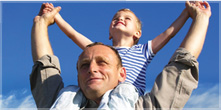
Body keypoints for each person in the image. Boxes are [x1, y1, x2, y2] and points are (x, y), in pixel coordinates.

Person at [30, 1, 211, 110]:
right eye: (116, 18)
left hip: (126, 96)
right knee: (69, 92)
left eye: (127, 18)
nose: (120, 19)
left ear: (137, 34)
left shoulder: (143, 50)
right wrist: (54, 17)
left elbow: (169, 34)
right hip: (88, 96)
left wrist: (187, 14)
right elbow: (72, 34)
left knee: (124, 90)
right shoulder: (97, 50)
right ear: (109, 32)